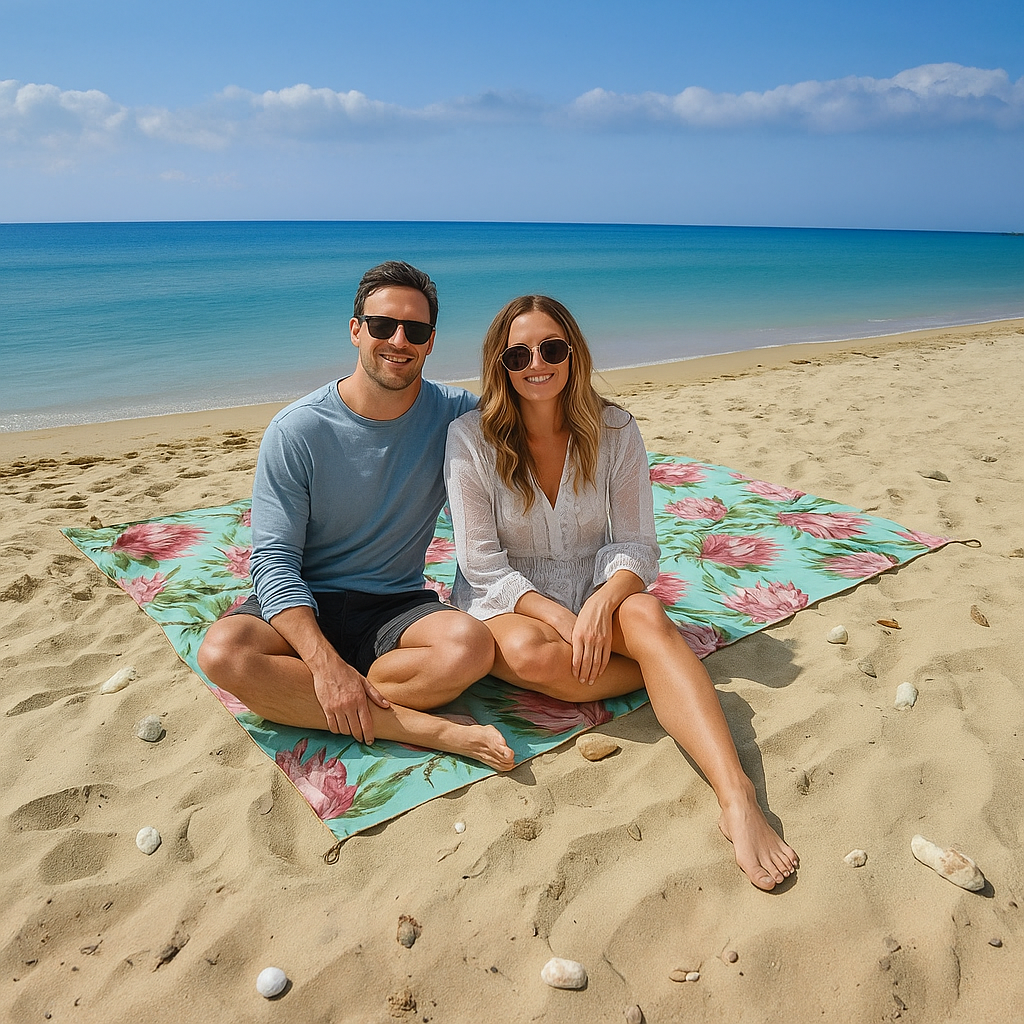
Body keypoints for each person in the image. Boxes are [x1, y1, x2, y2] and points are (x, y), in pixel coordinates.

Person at [443, 294, 800, 890]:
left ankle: (736, 796)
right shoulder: (470, 438)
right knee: (531, 652)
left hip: (598, 584)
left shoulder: (615, 428)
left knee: (648, 617)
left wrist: (604, 600)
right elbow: (481, 566)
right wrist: (560, 616)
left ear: (573, 353)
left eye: (552, 348)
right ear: (499, 363)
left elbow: (637, 543)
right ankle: (667, 671)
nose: (538, 362)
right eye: (520, 353)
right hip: (511, 597)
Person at [198, 261, 514, 771]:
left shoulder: (458, 415)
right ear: (355, 330)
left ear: (430, 342)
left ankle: (326, 696)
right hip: (306, 603)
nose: (398, 339)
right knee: (222, 652)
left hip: (393, 605)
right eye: (382, 325)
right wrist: (323, 664)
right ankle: (418, 726)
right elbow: (274, 560)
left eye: (415, 330)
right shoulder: (297, 429)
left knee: (470, 647)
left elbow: (537, 415)